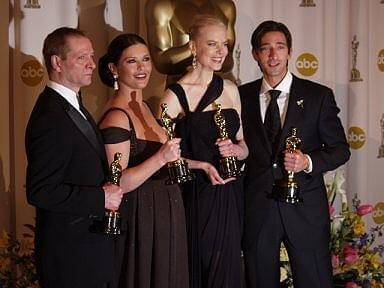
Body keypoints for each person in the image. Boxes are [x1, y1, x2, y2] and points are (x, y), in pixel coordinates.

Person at [239, 20, 351, 288]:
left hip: (305, 211)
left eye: (279, 47)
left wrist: (308, 161)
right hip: (257, 210)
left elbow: (340, 150)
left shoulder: (318, 96)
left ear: (290, 51)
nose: (273, 55)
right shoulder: (240, 96)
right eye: (265, 48)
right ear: (255, 54)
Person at [25, 27, 123, 288]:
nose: (92, 64)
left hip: (89, 247)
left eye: (92, 56)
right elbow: (40, 191)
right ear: (57, 62)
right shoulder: (50, 116)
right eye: (82, 58)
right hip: (70, 254)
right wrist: (101, 197)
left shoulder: (71, 106)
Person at [161, 15, 248, 288]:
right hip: (196, 197)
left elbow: (244, 146)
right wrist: (201, 165)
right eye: (212, 44)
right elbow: (162, 158)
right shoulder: (174, 96)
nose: (221, 51)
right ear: (192, 47)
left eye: (225, 44)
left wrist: (236, 149)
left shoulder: (231, 90)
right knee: (203, 270)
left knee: (230, 272)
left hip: (231, 195)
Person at [97, 33, 189, 288]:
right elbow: (118, 183)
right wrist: (161, 158)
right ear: (114, 68)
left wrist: (200, 165)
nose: (142, 68)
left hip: (165, 213)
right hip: (140, 219)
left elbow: (165, 158)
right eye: (132, 61)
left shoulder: (147, 107)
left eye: (146, 59)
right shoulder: (116, 116)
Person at [145, 0, 236, 84]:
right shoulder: (161, 5)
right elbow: (161, 63)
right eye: (212, 43)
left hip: (220, 86)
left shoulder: (225, 6)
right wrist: (197, 46)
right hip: (182, 88)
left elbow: (228, 62)